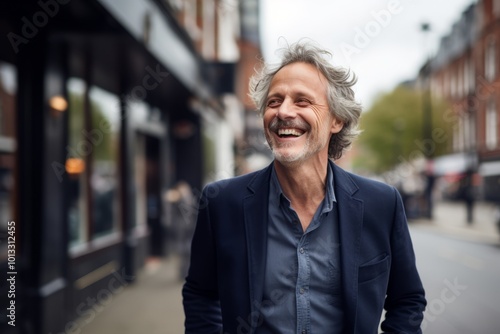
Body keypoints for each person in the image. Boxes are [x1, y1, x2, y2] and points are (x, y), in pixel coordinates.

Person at [183, 41, 426, 334]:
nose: (284, 111)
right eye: (274, 101)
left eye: (302, 101)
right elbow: (201, 294)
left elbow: (407, 299)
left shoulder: (381, 203)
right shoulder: (222, 203)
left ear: (337, 119)